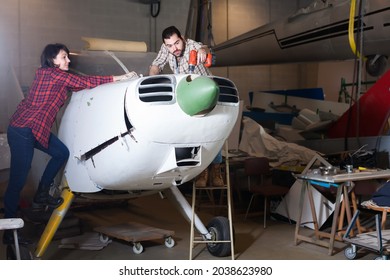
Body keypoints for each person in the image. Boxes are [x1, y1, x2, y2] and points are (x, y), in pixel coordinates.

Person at [2, 43, 137, 245]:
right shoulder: (51, 74)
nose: (68, 60)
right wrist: (119, 78)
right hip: (23, 130)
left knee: (60, 153)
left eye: (67, 57)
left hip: (35, 129)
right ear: (52, 60)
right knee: (18, 181)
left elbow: (82, 85)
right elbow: (86, 80)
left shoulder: (57, 77)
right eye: (64, 57)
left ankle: (41, 195)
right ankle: (8, 232)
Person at [149, 26, 224, 188]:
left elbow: (201, 47)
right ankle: (200, 170)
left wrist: (204, 51)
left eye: (177, 43)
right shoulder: (166, 48)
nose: (174, 48)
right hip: (185, 96)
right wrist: (152, 78)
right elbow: (156, 65)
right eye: (169, 45)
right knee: (193, 132)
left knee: (212, 130)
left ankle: (216, 169)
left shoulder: (191, 46)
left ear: (182, 38)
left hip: (204, 95)